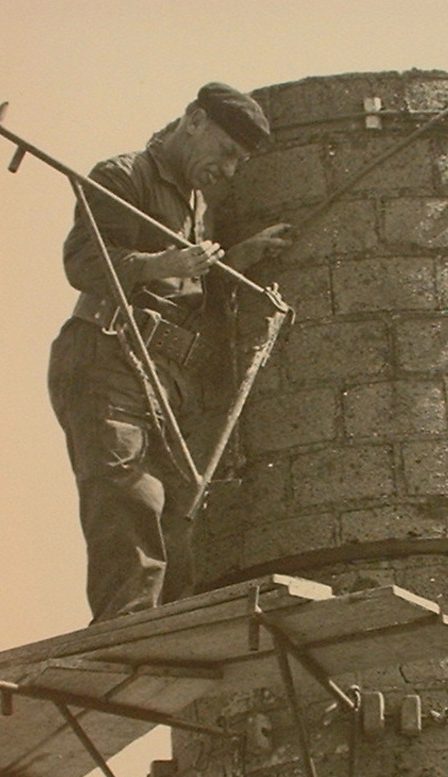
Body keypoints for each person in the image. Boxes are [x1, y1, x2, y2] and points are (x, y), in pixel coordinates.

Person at [48, 82, 292, 623]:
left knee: (179, 516)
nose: (229, 169)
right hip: (108, 357)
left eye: (239, 161)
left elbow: (190, 292)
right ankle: (124, 638)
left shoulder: (200, 205)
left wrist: (239, 260)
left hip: (165, 379)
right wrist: (162, 264)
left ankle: (168, 639)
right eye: (226, 152)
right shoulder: (125, 176)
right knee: (131, 504)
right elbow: (83, 262)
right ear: (194, 120)